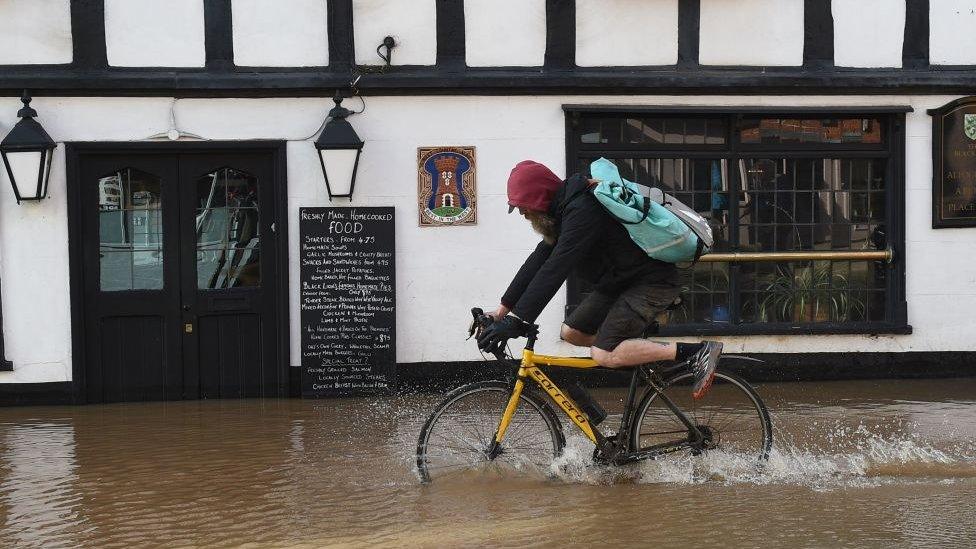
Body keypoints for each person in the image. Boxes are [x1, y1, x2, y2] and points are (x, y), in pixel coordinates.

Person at [477, 160, 723, 400]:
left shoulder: (584, 210)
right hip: (620, 283)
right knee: (572, 332)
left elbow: (556, 268)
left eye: (523, 206)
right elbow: (538, 260)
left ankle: (697, 351)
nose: (522, 213)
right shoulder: (563, 213)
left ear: (539, 198)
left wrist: (518, 321)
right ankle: (640, 355)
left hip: (650, 282)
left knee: (603, 353)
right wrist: (502, 312)